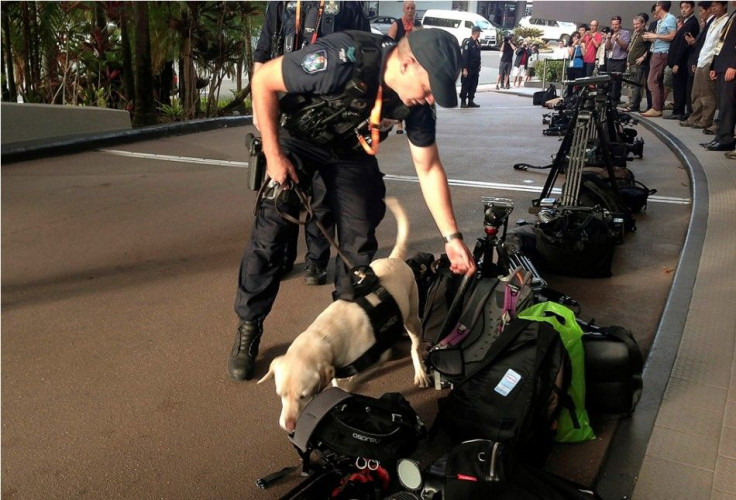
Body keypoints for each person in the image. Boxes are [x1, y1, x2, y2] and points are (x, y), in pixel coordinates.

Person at [228, 28, 477, 381]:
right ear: (407, 64)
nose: (430, 98)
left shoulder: (416, 106)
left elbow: (429, 167)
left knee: (360, 240)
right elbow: (264, 79)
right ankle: (249, 326)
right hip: (300, 140)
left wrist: (452, 238)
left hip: (350, 152)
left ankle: (344, 329)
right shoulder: (342, 59)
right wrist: (273, 153)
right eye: (429, 87)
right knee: (271, 237)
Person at [252, 1, 370, 285]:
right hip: (284, 100)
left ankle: (316, 260)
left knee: (321, 191)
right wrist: (258, 105)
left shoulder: (349, 5)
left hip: (327, 111)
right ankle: (282, 257)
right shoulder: (282, 3)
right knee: (284, 184)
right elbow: (264, 50)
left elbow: (364, 50)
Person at [681, 1, 729, 128]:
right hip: (702, 59)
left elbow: (719, 45)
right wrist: (697, 60)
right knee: (696, 93)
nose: (713, 9)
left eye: (716, 6)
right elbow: (705, 43)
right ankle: (695, 117)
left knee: (707, 93)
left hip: (710, 60)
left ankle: (706, 120)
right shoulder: (712, 21)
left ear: (724, 6)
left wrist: (714, 63)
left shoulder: (726, 21)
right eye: (712, 6)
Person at [703, 1, 735, 152]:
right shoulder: (734, 15)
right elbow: (722, 42)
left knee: (728, 105)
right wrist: (714, 65)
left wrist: (734, 65)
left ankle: (726, 139)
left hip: (730, 66)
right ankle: (719, 136)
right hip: (723, 64)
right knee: (723, 104)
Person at [642, 1, 678, 117]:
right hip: (657, 51)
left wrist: (655, 35)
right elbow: (661, 38)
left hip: (662, 53)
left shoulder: (670, 18)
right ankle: (658, 106)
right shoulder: (660, 21)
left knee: (651, 81)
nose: (655, 7)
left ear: (661, 6)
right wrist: (650, 37)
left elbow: (673, 36)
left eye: (657, 5)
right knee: (657, 81)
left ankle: (656, 108)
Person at [388, 0, 417, 134]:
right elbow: (387, 44)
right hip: (399, 66)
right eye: (407, 8)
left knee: (412, 95)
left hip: (413, 67)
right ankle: (399, 124)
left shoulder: (417, 25)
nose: (410, 11)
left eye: (412, 8)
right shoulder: (397, 24)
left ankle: (411, 123)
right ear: (403, 9)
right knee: (399, 96)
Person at [622, 15, 650, 112]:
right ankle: (632, 104)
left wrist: (643, 57)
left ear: (643, 24)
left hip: (638, 64)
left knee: (636, 85)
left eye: (637, 24)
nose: (635, 26)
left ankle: (634, 105)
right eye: (634, 24)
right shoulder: (636, 34)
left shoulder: (645, 34)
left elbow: (651, 47)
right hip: (632, 63)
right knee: (632, 85)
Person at [605, 16, 632, 104]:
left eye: (616, 24)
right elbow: (607, 48)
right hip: (610, 59)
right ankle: (609, 98)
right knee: (609, 79)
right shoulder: (610, 33)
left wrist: (617, 39)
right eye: (613, 24)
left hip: (620, 59)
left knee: (617, 81)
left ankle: (615, 99)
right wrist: (609, 39)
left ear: (620, 24)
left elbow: (625, 46)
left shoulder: (625, 33)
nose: (614, 26)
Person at [460, 26, 483, 107]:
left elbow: (478, 56)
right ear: (475, 32)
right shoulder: (468, 43)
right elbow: (465, 57)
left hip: (475, 68)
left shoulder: (477, 42)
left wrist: (479, 65)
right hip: (468, 68)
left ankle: (471, 100)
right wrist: (464, 69)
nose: (480, 34)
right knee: (466, 84)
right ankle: (463, 101)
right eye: (479, 32)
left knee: (473, 84)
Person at [567, 28, 586, 94]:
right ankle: (569, 96)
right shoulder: (570, 45)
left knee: (579, 83)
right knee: (570, 83)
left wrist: (580, 45)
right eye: (574, 36)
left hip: (579, 65)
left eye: (577, 36)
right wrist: (574, 45)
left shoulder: (582, 44)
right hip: (571, 65)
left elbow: (584, 54)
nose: (576, 38)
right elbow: (571, 54)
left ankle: (578, 96)